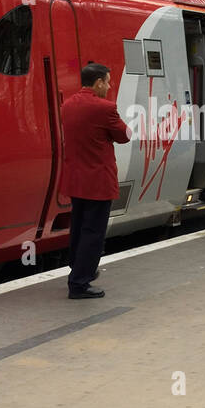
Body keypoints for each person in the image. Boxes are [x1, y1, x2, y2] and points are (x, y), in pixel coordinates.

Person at [61, 62, 130, 299]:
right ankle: (80, 283)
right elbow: (124, 136)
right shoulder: (105, 108)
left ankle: (77, 267)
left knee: (78, 228)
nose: (109, 86)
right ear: (98, 82)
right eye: (108, 82)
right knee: (93, 232)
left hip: (75, 181)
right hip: (98, 182)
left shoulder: (67, 106)